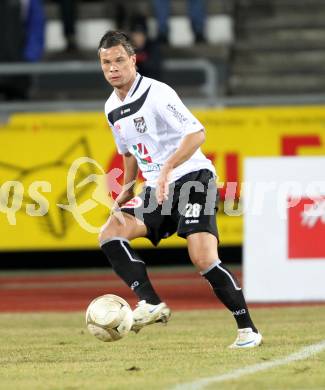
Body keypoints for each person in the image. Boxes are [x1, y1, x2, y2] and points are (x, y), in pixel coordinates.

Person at [98, 30, 262, 348]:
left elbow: (196, 133)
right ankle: (151, 303)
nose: (113, 68)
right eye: (106, 62)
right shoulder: (110, 108)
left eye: (119, 60)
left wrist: (168, 169)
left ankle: (248, 329)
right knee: (109, 232)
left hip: (192, 178)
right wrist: (128, 189)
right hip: (156, 189)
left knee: (202, 257)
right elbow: (129, 152)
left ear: (133, 60)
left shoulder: (157, 93)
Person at [129, 14, 162, 80]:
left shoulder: (152, 47)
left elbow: (154, 70)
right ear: (132, 35)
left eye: (142, 34)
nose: (139, 38)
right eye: (136, 35)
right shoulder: (127, 49)